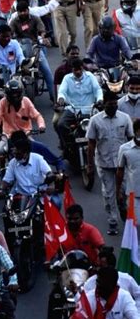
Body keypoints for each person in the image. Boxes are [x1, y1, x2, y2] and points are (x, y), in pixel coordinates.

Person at [87, 91, 133, 235]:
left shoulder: (125, 119)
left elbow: (131, 140)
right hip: (105, 163)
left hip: (123, 164)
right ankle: (112, 222)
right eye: (110, 104)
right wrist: (90, 166)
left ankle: (125, 213)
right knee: (109, 194)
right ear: (104, 104)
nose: (113, 106)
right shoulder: (95, 120)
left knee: (125, 191)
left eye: (115, 104)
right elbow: (91, 144)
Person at [67, 266, 140, 319]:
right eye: (97, 282)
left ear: (112, 285)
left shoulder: (124, 296)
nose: (98, 286)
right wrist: (75, 293)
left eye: (101, 283)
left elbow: (134, 317)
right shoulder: (91, 296)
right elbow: (82, 310)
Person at [0, 78, 45, 167]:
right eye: (12, 95)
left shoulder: (26, 101)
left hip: (25, 134)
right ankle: (2, 170)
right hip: (8, 135)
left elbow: (37, 116)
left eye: (17, 95)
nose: (15, 98)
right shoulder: (3, 102)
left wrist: (41, 126)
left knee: (36, 151)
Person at [55, 58, 103, 148]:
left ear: (83, 68)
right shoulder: (67, 78)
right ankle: (69, 145)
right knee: (61, 124)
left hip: (90, 109)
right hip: (73, 110)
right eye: (75, 69)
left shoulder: (90, 76)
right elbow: (62, 91)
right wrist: (61, 99)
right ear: (71, 69)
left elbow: (97, 90)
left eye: (79, 69)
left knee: (103, 124)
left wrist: (99, 99)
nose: (78, 72)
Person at [117, 116, 140, 220]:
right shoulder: (124, 149)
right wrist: (118, 191)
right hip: (133, 194)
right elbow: (120, 170)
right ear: (135, 132)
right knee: (136, 222)